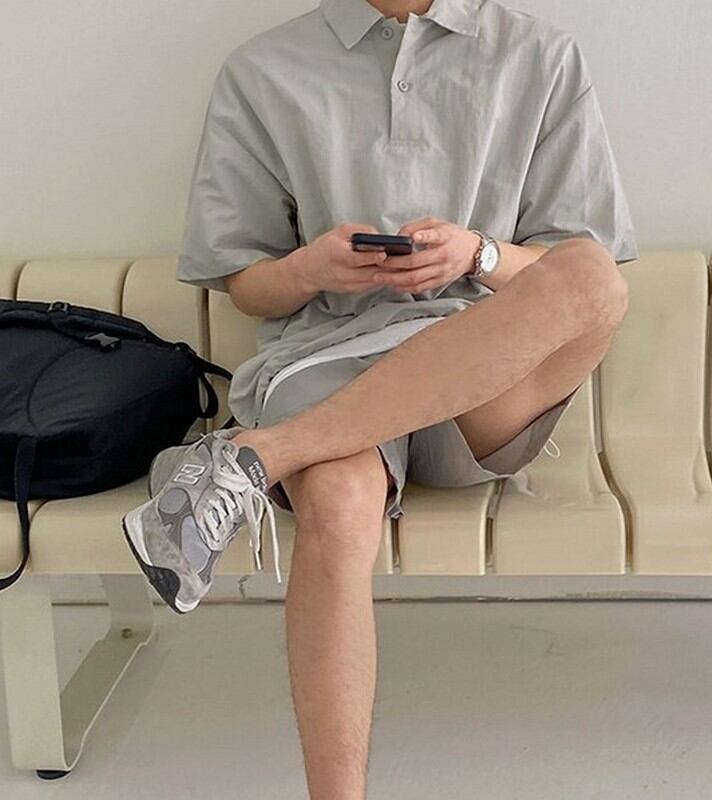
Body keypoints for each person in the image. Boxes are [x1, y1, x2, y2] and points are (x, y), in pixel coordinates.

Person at [122, 0, 638, 796]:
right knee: (336, 504)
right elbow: (246, 283)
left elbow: (570, 270)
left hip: (478, 367)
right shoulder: (264, 70)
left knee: (594, 276)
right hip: (326, 358)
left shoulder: (539, 56)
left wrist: (478, 253)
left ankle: (253, 455)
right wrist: (311, 269)